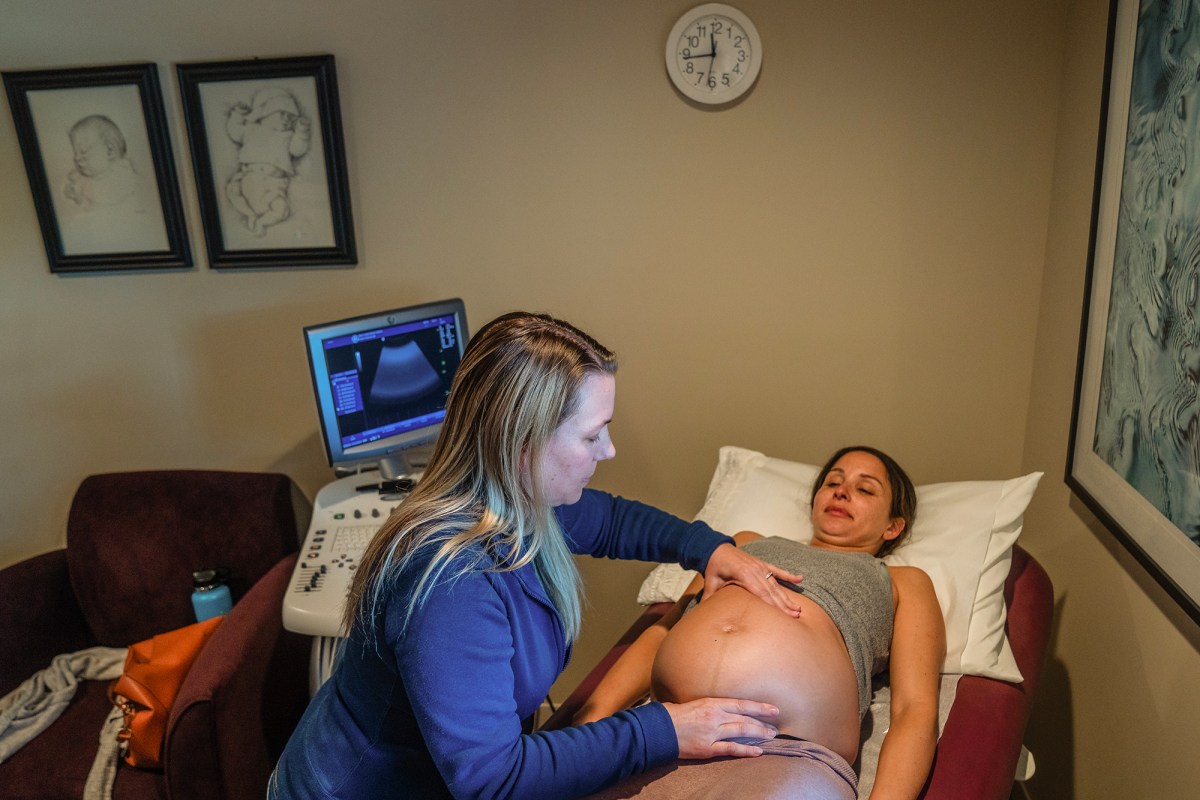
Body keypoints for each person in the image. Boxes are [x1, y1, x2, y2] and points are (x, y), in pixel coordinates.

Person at [269, 311, 809, 800]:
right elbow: (493, 779)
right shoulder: (451, 583)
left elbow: (615, 521)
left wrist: (711, 549)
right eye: (593, 435)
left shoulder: (522, 500)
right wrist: (665, 730)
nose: (609, 451)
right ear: (523, 444)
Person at [575, 447, 946, 800]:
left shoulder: (902, 580)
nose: (842, 492)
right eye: (832, 483)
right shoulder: (743, 543)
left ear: (894, 527)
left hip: (783, 755)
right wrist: (588, 724)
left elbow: (914, 707)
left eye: (864, 489)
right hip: (665, 731)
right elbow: (662, 633)